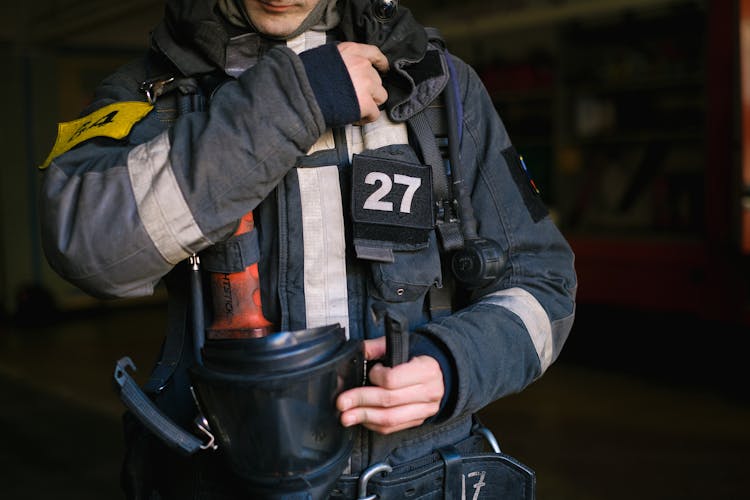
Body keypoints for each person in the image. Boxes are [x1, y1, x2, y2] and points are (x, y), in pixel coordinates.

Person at [38, 0, 577, 498]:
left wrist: (455, 364)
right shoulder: (153, 92)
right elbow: (87, 248)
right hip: (221, 478)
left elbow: (543, 284)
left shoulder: (438, 88)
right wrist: (297, 99)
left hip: (420, 478)